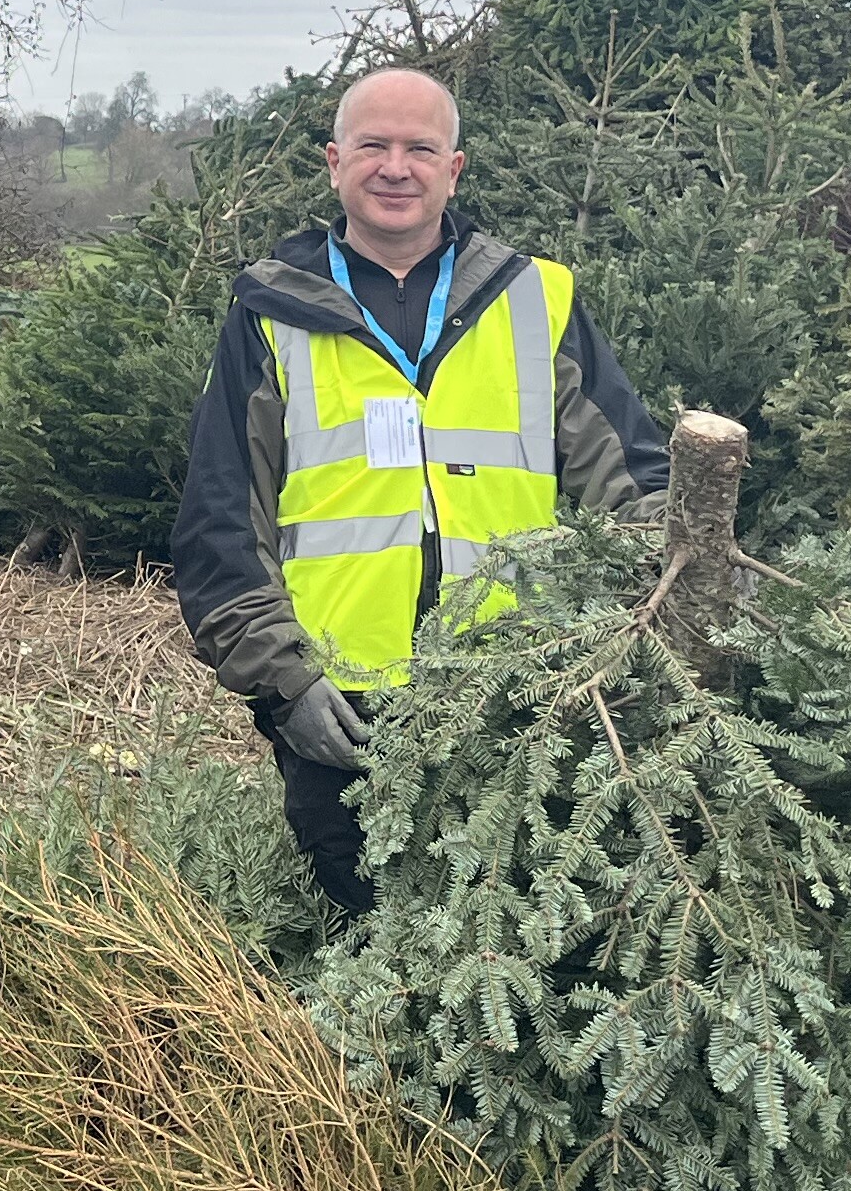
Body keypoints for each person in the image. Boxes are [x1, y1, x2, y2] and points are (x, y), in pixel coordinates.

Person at [168, 65, 668, 915]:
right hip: (345, 706)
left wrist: (657, 633)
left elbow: (638, 490)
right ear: (334, 163)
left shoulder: (534, 299)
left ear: (454, 169)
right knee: (369, 937)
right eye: (372, 146)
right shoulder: (272, 313)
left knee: (522, 942)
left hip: (518, 696)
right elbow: (220, 522)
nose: (394, 167)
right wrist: (285, 684)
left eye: (418, 149)